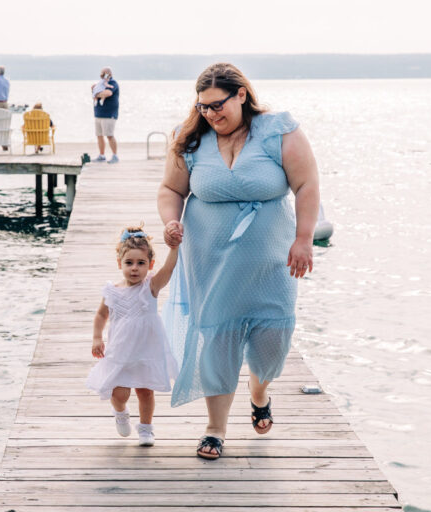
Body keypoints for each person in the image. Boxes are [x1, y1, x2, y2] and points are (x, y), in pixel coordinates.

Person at [157, 63, 320, 460]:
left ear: (242, 95)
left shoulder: (278, 131)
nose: (211, 115)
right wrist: (171, 221)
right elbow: (170, 189)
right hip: (210, 261)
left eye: (218, 105)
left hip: (272, 261)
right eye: (203, 107)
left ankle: (259, 391)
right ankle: (215, 428)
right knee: (216, 336)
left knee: (272, 338)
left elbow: (307, 184)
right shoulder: (190, 140)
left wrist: (303, 239)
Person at [86, 225, 180, 447]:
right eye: (129, 263)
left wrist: (174, 248)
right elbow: (101, 315)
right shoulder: (112, 291)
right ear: (120, 264)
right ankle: (120, 412)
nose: (135, 268)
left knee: (145, 391)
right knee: (119, 393)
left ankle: (146, 429)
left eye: (141, 263)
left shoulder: (151, 287)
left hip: (147, 349)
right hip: (121, 350)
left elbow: (169, 268)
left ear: (150, 265)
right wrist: (97, 337)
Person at [92, 67, 120, 163]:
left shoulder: (113, 83)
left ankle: (115, 156)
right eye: (102, 73)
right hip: (98, 114)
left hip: (109, 114)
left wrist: (96, 94)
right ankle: (102, 155)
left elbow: (108, 93)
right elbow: (93, 92)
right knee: (99, 135)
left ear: (110, 74)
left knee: (109, 135)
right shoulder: (100, 83)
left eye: (105, 73)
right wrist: (98, 93)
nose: (103, 75)